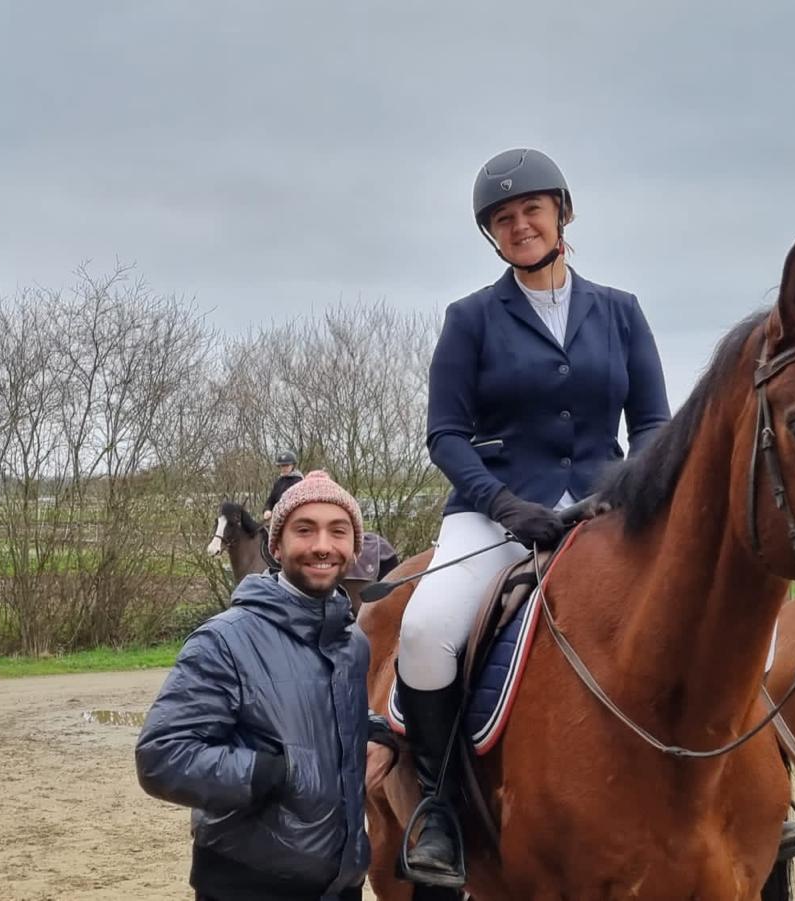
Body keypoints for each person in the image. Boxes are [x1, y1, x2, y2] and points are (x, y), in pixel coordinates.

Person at [394, 148, 674, 887]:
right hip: (495, 513)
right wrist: (502, 503)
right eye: (503, 218)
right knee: (423, 632)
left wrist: (625, 488)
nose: (519, 225)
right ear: (492, 235)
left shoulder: (620, 311)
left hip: (607, 508)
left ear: (562, 214)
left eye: (531, 210)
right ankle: (439, 806)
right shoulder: (471, 319)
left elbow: (651, 422)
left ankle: (759, 784)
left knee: (713, 608)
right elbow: (445, 435)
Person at [136, 471, 394, 901]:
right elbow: (161, 755)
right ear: (276, 546)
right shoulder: (224, 640)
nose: (322, 546)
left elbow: (321, 711)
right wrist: (269, 773)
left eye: (338, 531)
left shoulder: (352, 645)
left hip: (341, 884)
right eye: (304, 530)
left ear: (354, 548)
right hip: (246, 886)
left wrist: (379, 735)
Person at [261, 451, 304, 521]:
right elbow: (271, 499)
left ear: (293, 466)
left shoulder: (299, 482)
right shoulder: (279, 482)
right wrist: (267, 510)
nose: (284, 468)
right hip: (278, 519)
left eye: (287, 466)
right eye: (282, 466)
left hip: (293, 519)